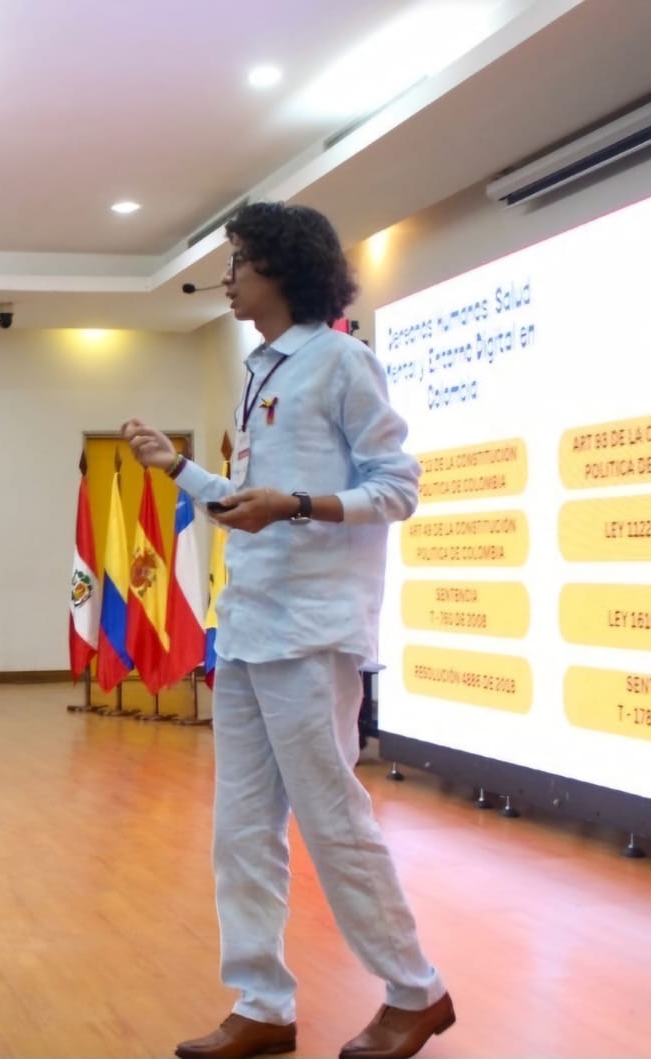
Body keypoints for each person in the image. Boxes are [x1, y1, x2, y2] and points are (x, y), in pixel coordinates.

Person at [123, 202, 450, 1059]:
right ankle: (263, 1001)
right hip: (250, 629)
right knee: (240, 827)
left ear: (281, 266)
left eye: (239, 261)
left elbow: (399, 487)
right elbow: (248, 506)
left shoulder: (342, 361)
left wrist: (300, 504)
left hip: (312, 633)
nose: (226, 279)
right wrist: (182, 468)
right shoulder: (261, 367)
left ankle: (417, 991)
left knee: (332, 816)